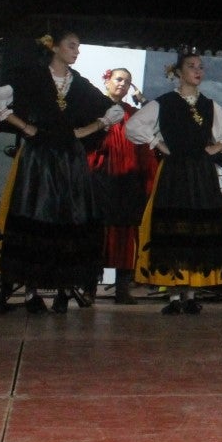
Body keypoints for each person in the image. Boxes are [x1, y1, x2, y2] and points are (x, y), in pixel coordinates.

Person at [0, 30, 122, 313]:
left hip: (70, 159)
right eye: (72, 46)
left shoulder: (80, 85)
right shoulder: (32, 78)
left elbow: (114, 112)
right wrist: (25, 127)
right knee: (37, 214)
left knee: (69, 219)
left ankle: (63, 289)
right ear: (54, 47)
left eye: (79, 47)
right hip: (39, 158)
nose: (77, 51)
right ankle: (32, 291)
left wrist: (89, 129)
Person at [126, 48, 222, 315]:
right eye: (192, 66)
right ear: (178, 72)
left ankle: (190, 294)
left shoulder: (210, 105)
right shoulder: (164, 103)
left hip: (201, 173)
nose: (198, 71)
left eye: (200, 67)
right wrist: (158, 144)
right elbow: (134, 127)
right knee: (175, 228)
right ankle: (174, 296)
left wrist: (217, 147)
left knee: (197, 229)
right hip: (176, 172)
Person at [87, 67, 157, 304]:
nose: (122, 84)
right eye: (118, 79)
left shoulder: (133, 114)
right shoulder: (94, 108)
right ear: (107, 80)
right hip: (100, 178)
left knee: (126, 234)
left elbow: (146, 145)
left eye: (127, 81)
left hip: (127, 182)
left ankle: (122, 288)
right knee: (97, 232)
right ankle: (88, 287)